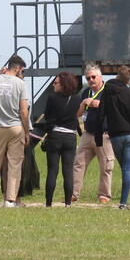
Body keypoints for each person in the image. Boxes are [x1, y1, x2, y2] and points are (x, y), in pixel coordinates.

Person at [0, 55, 30, 207]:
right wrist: (27, 131)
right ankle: (10, 200)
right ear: (18, 68)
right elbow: (23, 111)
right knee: (14, 165)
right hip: (15, 127)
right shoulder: (21, 84)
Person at [94, 65, 130, 210]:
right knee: (127, 168)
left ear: (117, 75)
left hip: (115, 136)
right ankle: (129, 200)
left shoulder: (107, 92)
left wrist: (98, 138)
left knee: (125, 168)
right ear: (129, 81)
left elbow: (100, 115)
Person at [37, 71, 81, 207]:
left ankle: (49, 203)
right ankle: (68, 203)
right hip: (70, 137)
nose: (53, 84)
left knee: (52, 170)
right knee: (68, 171)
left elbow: (48, 117)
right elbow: (75, 117)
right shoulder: (76, 99)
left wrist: (44, 132)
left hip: (55, 136)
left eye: (56, 83)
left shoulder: (52, 98)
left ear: (62, 84)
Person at [72, 64, 114, 204]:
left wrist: (101, 105)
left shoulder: (109, 91)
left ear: (100, 77)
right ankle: (73, 194)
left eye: (93, 77)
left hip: (104, 135)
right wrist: (83, 104)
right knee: (78, 164)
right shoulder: (85, 92)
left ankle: (104, 196)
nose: (91, 80)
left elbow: (116, 111)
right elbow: (77, 115)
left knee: (106, 166)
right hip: (87, 134)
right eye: (88, 78)